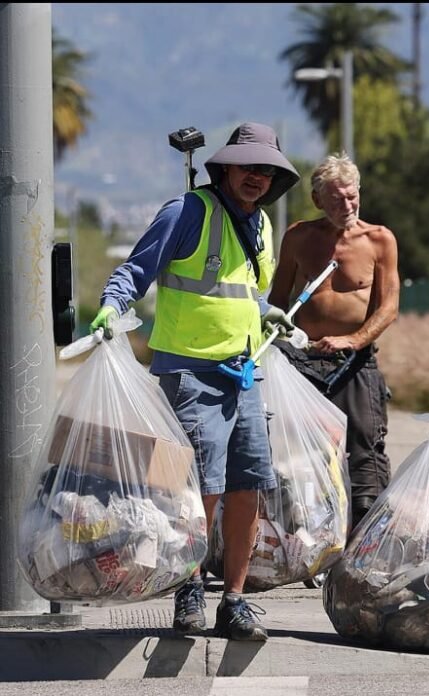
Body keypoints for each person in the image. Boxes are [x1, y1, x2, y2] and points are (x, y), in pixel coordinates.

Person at [89, 122, 300, 641]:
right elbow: (137, 270)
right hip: (189, 374)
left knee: (249, 485)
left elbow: (242, 291)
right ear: (225, 166)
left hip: (243, 373)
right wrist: (112, 307)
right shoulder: (186, 212)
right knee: (196, 489)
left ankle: (234, 599)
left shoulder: (262, 225)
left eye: (266, 171)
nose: (257, 178)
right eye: (249, 167)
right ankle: (187, 587)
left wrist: (268, 312)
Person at [268, 153, 400, 529]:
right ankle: (303, 535)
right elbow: (278, 300)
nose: (347, 205)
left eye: (352, 196)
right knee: (298, 451)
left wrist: (354, 340)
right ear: (318, 200)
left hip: (354, 363)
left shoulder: (379, 240)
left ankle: (365, 539)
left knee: (365, 453)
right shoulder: (298, 237)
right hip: (302, 360)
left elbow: (388, 308)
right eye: (337, 198)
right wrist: (275, 341)